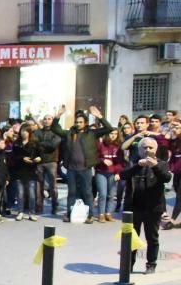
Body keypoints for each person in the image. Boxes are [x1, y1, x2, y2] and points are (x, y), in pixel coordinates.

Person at [52, 105, 113, 224]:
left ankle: (90, 215)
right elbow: (55, 129)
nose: (78, 124)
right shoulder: (70, 133)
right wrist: (58, 116)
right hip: (71, 168)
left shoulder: (92, 133)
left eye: (80, 122)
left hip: (85, 168)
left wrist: (99, 117)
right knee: (72, 192)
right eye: (76, 122)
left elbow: (108, 128)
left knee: (87, 192)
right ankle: (70, 214)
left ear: (85, 123)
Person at [121, 137, 172, 274]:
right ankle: (128, 265)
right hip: (134, 206)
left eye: (150, 148)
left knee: (152, 238)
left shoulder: (161, 163)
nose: (147, 150)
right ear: (139, 150)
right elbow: (123, 175)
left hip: (153, 208)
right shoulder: (133, 163)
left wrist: (154, 165)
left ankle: (151, 264)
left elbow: (166, 178)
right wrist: (139, 165)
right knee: (131, 238)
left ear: (155, 150)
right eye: (145, 148)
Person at [10, 127, 42, 221]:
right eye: (22, 131)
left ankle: (32, 212)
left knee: (32, 193)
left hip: (31, 170)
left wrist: (39, 159)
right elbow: (14, 157)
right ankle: (20, 212)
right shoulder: (17, 144)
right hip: (20, 170)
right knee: (20, 193)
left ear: (29, 133)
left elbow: (40, 155)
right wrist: (22, 158)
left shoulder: (35, 143)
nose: (24, 133)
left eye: (26, 131)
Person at [33, 115, 62, 215]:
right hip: (39, 161)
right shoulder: (38, 132)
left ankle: (55, 206)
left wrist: (40, 143)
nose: (46, 120)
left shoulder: (56, 132)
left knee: (53, 186)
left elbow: (53, 145)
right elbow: (34, 144)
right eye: (45, 119)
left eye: (49, 119)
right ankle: (38, 207)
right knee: (38, 186)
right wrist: (43, 144)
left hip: (51, 161)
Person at [95, 130, 124, 222]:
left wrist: (117, 173)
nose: (113, 136)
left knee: (112, 195)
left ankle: (109, 213)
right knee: (103, 194)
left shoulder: (119, 146)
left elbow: (120, 162)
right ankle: (101, 214)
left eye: (116, 134)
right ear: (107, 134)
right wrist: (102, 160)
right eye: (111, 133)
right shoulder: (101, 144)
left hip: (113, 173)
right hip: (101, 172)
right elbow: (95, 157)